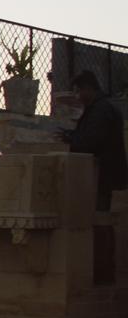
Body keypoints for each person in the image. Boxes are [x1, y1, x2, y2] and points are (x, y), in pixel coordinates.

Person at [57, 70, 127, 212]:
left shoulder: (100, 110)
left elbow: (92, 141)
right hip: (103, 174)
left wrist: (72, 138)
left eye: (78, 91)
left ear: (88, 88)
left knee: (100, 217)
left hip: (102, 175)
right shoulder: (100, 108)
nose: (77, 97)